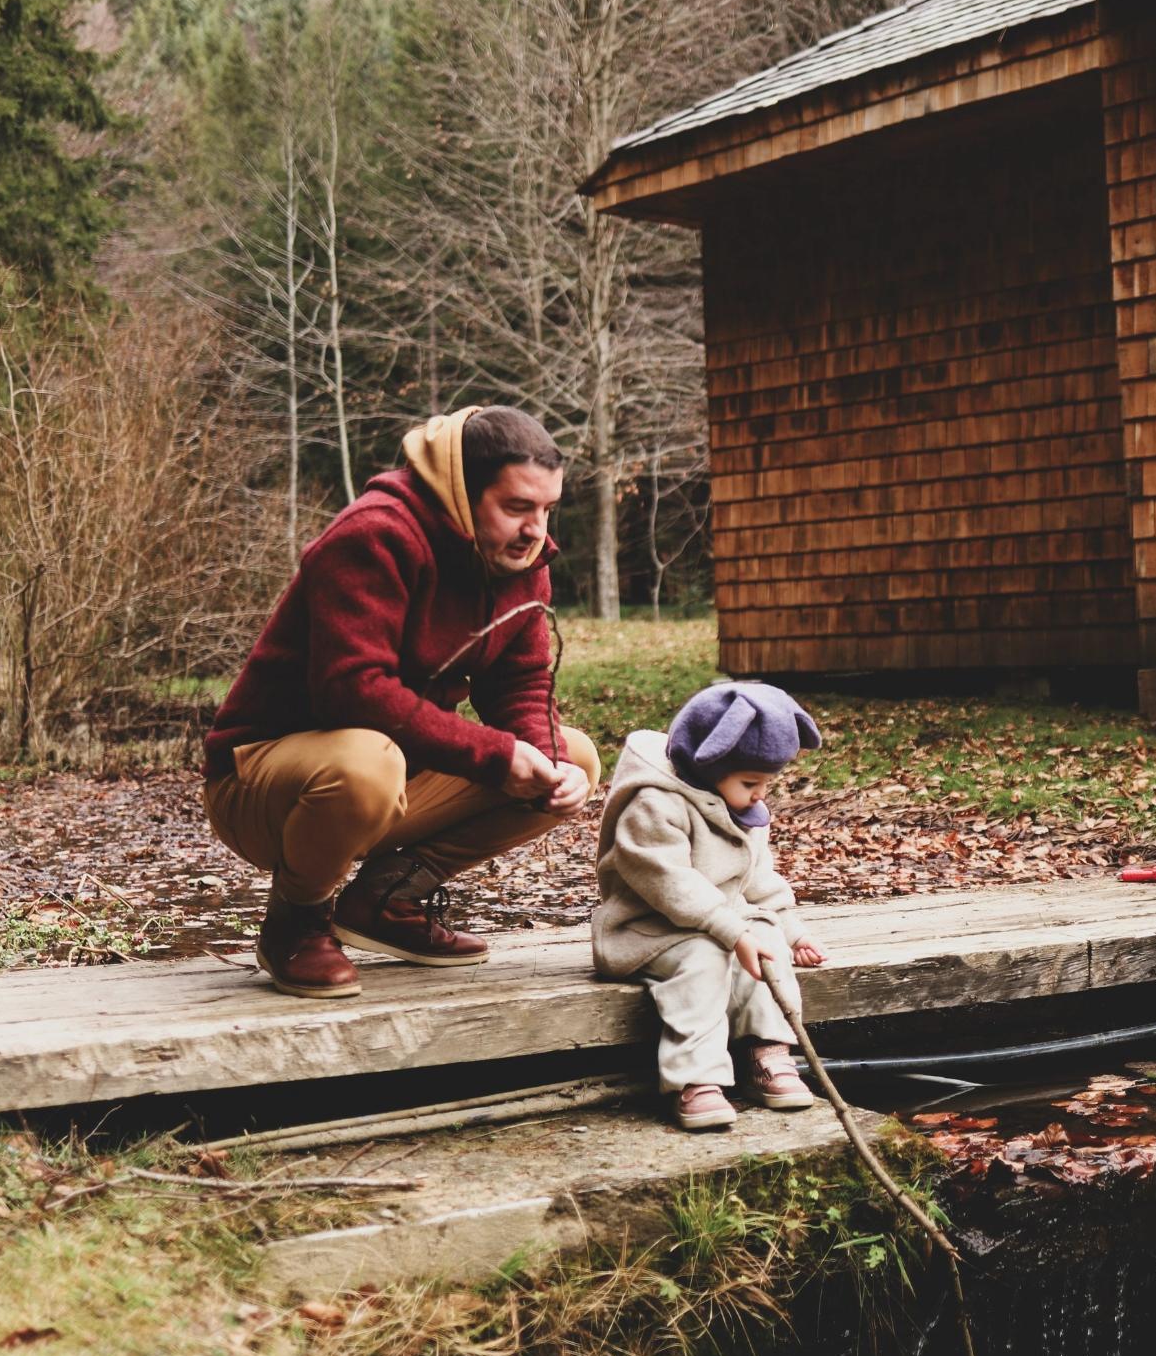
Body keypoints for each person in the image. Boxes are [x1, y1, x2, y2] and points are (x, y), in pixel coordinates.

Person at [203, 406, 599, 999]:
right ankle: (296, 921)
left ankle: (385, 900)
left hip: (389, 772)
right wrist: (496, 756)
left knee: (576, 759)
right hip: (261, 781)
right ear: (462, 493)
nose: (536, 530)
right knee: (369, 761)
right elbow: (353, 690)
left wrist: (542, 758)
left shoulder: (520, 564)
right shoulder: (374, 536)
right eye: (516, 508)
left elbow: (520, 686)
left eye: (547, 510)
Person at [593, 681, 828, 1131]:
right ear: (709, 762)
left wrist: (791, 930)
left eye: (768, 784)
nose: (761, 794)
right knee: (704, 958)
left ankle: (768, 1051)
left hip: (723, 923)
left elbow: (758, 879)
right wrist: (730, 930)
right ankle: (695, 1079)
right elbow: (669, 884)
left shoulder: (741, 805)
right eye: (751, 783)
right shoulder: (653, 803)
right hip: (647, 930)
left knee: (766, 939)